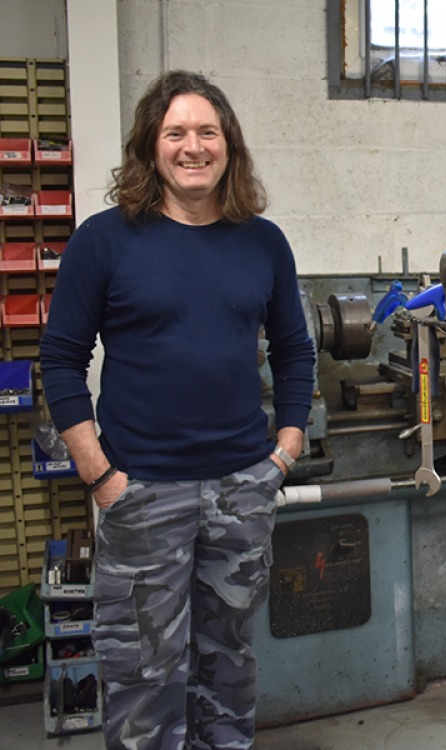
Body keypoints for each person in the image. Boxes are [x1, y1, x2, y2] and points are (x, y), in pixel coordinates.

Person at [39, 70, 316, 750]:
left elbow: (293, 348)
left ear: (229, 147)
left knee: (228, 669)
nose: (193, 147)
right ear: (151, 147)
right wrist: (100, 475)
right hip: (143, 493)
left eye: (207, 132)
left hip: (241, 490)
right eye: (176, 133)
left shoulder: (263, 243)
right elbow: (60, 361)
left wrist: (285, 446)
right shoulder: (104, 241)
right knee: (142, 677)